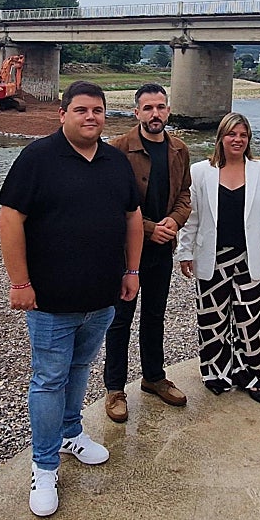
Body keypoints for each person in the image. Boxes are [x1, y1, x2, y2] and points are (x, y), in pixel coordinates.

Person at [0, 81, 143, 516]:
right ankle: (43, 467)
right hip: (50, 302)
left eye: (97, 110)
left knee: (79, 369)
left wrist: (132, 271)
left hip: (101, 297)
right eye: (81, 110)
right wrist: (20, 282)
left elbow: (133, 218)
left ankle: (70, 433)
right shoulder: (38, 158)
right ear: (63, 114)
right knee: (48, 379)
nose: (91, 117)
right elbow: (10, 219)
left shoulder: (116, 162)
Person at [175, 112, 260, 403]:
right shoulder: (200, 172)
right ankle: (216, 373)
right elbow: (192, 219)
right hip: (212, 257)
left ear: (249, 139)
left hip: (251, 257)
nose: (237, 140)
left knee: (251, 320)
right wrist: (185, 252)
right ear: (220, 138)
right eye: (232, 134)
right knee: (212, 318)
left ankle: (253, 376)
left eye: (243, 135)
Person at [102, 83, 193, 423]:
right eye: (148, 108)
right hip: (127, 251)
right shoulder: (118, 149)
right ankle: (114, 389)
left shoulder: (179, 150)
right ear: (137, 112)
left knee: (155, 315)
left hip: (162, 250)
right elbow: (112, 203)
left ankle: (154, 377)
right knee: (120, 320)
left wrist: (174, 222)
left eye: (161, 107)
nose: (155, 114)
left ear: (168, 110)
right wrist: (154, 228)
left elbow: (185, 194)